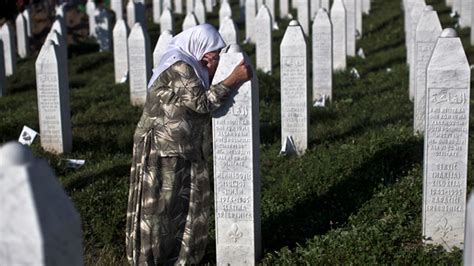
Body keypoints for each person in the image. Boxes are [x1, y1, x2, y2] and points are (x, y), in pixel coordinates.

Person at [125, 24, 252, 265]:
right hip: (163, 147)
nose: (211, 61)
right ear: (199, 48)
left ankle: (177, 255)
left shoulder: (191, 64)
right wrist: (233, 79)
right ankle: (153, 258)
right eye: (211, 55)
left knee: (180, 204)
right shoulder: (179, 65)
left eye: (213, 56)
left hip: (183, 146)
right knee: (161, 206)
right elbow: (201, 102)